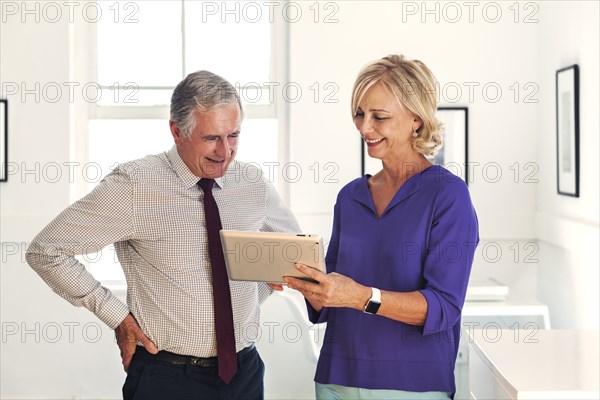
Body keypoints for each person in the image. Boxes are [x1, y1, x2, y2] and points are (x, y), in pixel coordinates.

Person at [26, 70, 300, 400]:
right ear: (176, 131)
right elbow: (47, 250)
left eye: (234, 135)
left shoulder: (253, 184)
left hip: (243, 373)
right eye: (211, 138)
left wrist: (262, 281)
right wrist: (119, 318)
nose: (225, 151)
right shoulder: (134, 185)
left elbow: (294, 253)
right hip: (166, 377)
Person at [282, 55, 479, 399]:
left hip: (411, 385)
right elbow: (330, 302)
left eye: (379, 117)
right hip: (336, 380)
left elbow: (444, 308)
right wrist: (306, 284)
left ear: (416, 120)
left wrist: (360, 296)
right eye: (360, 114)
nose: (364, 127)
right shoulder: (350, 197)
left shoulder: (447, 195)